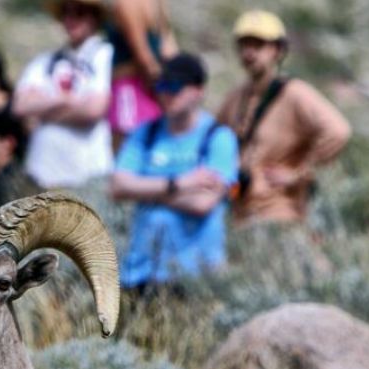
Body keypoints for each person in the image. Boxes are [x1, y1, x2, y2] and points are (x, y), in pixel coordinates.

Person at [110, 54, 238, 294]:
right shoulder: (145, 133)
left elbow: (203, 203)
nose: (166, 93)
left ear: (199, 91)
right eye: (161, 85)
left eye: (176, 86)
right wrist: (181, 183)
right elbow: (117, 187)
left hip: (194, 278)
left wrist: (143, 190)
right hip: (139, 273)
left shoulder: (218, 138)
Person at [216, 10, 351, 226]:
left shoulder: (294, 93)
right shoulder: (235, 97)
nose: (249, 52)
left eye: (258, 45)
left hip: (280, 212)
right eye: (244, 45)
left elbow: (338, 131)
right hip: (240, 215)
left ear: (277, 50)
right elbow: (214, 137)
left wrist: (300, 174)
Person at [12, 0, 114, 188]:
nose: (71, 19)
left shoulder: (105, 55)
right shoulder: (45, 60)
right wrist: (64, 100)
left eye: (80, 13)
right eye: (67, 13)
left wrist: (44, 112)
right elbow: (21, 105)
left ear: (94, 17)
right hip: (41, 172)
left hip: (87, 173)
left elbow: (93, 110)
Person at [105, 0, 177, 143]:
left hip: (141, 91)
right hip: (139, 91)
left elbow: (157, 58)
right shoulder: (139, 4)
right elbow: (151, 57)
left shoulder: (149, 5)